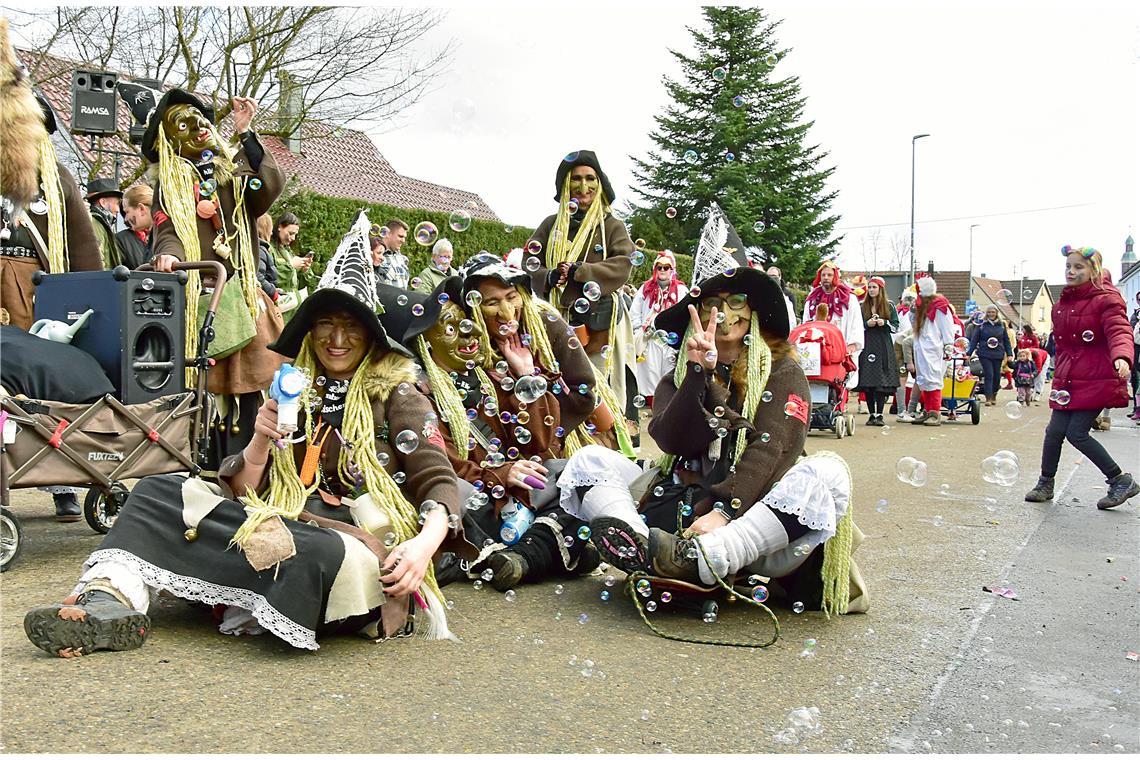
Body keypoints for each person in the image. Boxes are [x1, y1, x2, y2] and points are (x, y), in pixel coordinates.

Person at [21, 221, 470, 656]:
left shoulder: (397, 394)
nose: (336, 339)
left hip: (347, 543)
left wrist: (422, 547)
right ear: (309, 332)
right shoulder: (295, 388)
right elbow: (248, 489)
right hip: (279, 517)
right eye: (325, 325)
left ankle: (225, 588)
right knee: (159, 491)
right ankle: (108, 603)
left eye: (352, 327)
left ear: (372, 337)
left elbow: (438, 481)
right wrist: (259, 438)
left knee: (311, 551)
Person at [557, 263, 867, 615]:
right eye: (710, 304)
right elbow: (671, 441)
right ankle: (644, 551)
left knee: (829, 472)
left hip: (751, 522)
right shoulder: (683, 370)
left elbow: (773, 448)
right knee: (588, 461)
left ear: (754, 313)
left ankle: (700, 561)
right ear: (696, 315)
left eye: (736, 300)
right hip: (676, 513)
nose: (723, 313)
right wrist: (696, 376)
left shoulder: (783, 371)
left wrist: (723, 511)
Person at [376, 275, 602, 592]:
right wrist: (500, 473)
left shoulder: (487, 376)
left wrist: (526, 377)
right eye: (451, 329)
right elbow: (438, 465)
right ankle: (542, 549)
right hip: (476, 498)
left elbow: (538, 445)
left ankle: (525, 555)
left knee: (579, 470)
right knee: (457, 493)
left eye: (467, 324)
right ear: (426, 341)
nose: (468, 336)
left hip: (508, 496)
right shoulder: (418, 393)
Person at [120, 83, 287, 467]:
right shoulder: (171, 185)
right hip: (203, 297)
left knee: (254, 387)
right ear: (169, 141)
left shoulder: (233, 170)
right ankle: (208, 468)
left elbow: (265, 193)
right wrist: (167, 257)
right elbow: (167, 232)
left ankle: (255, 469)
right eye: (182, 124)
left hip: (243, 295)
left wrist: (245, 132)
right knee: (205, 391)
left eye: (198, 118)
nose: (196, 126)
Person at [0, 20, 102, 522]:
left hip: (36, 291)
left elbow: (81, 245)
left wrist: (92, 294)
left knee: (38, 383)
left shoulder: (54, 176)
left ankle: (61, 479)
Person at [460, 251, 633, 456]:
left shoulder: (546, 324)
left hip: (563, 445)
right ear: (474, 308)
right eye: (492, 303)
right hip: (507, 451)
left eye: (511, 297)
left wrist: (530, 378)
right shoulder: (469, 341)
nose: (506, 312)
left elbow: (583, 392)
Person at [1025, 246, 1137, 509]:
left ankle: (1120, 480)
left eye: (1078, 267)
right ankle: (1045, 483)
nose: (1071, 272)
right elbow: (1064, 344)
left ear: (1093, 270)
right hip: (1070, 377)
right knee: (1054, 432)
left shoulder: (1107, 298)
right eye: (1068, 267)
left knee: (1076, 433)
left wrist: (1122, 356)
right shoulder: (1064, 302)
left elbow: (1120, 330)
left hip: (1098, 375)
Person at [525, 150, 636, 417]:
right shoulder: (551, 225)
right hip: (556, 320)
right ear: (565, 184)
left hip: (599, 325)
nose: (583, 186)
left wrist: (582, 271)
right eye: (575, 179)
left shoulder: (611, 225)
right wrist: (548, 276)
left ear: (600, 184)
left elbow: (625, 263)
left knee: (597, 386)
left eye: (590, 178)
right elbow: (530, 262)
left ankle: (607, 441)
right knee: (560, 384)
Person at [630, 251, 688, 407]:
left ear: (672, 269)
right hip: (650, 339)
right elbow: (634, 312)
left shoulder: (681, 290)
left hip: (671, 340)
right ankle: (653, 405)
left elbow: (686, 314)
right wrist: (638, 331)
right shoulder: (646, 288)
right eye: (659, 267)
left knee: (669, 373)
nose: (663, 270)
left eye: (666, 267)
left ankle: (667, 405)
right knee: (649, 373)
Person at [802, 261, 863, 387]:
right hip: (817, 351)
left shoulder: (849, 298)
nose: (826, 278)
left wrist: (852, 345)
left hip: (840, 349)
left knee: (840, 384)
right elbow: (806, 322)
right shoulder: (813, 298)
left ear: (835, 276)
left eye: (829, 275)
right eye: (823, 275)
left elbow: (856, 324)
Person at [908, 274, 957, 426]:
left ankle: (934, 412)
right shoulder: (921, 305)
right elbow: (914, 323)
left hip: (934, 347)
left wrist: (948, 345)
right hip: (922, 346)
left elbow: (947, 327)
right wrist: (912, 312)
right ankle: (928, 411)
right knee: (923, 378)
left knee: (933, 378)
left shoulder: (940, 305)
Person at [854, 276, 900, 426]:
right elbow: (857, 326)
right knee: (868, 381)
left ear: (880, 289)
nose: (872, 290)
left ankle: (879, 414)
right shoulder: (862, 306)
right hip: (868, 343)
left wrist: (884, 322)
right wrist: (867, 324)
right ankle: (871, 413)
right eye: (870, 287)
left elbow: (895, 326)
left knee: (881, 380)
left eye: (874, 287)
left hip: (882, 343)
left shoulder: (889, 305)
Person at [966, 305, 1014, 406]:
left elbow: (1006, 340)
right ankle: (988, 397)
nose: (991, 314)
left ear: (997, 313)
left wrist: (1009, 354)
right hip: (984, 353)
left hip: (998, 353)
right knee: (989, 375)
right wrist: (969, 353)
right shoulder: (982, 325)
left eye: (993, 312)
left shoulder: (1001, 325)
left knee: (997, 376)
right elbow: (974, 340)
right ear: (986, 314)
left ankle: (994, 394)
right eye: (989, 312)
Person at [268, 211, 309, 320]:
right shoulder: (269, 249)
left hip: (293, 312)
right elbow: (270, 277)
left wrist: (303, 270)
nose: (293, 238)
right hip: (278, 312)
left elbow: (297, 284)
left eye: (295, 234)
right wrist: (290, 266)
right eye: (290, 233)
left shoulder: (288, 251)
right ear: (280, 227)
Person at [84, 177, 125, 269]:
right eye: (117, 204)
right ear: (103, 202)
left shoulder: (100, 223)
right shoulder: (94, 223)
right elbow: (98, 262)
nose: (118, 210)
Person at [115, 184, 153, 270]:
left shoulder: (166, 235)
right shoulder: (121, 239)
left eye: (127, 212)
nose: (126, 219)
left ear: (141, 209)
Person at [374, 219, 410, 289]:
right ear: (388, 233)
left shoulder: (403, 259)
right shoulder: (375, 255)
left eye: (404, 237)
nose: (403, 241)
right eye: (400, 236)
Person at [254, 214, 281, 303]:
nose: (272, 233)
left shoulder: (259, 248)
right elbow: (258, 276)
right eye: (270, 229)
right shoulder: (260, 250)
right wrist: (273, 293)